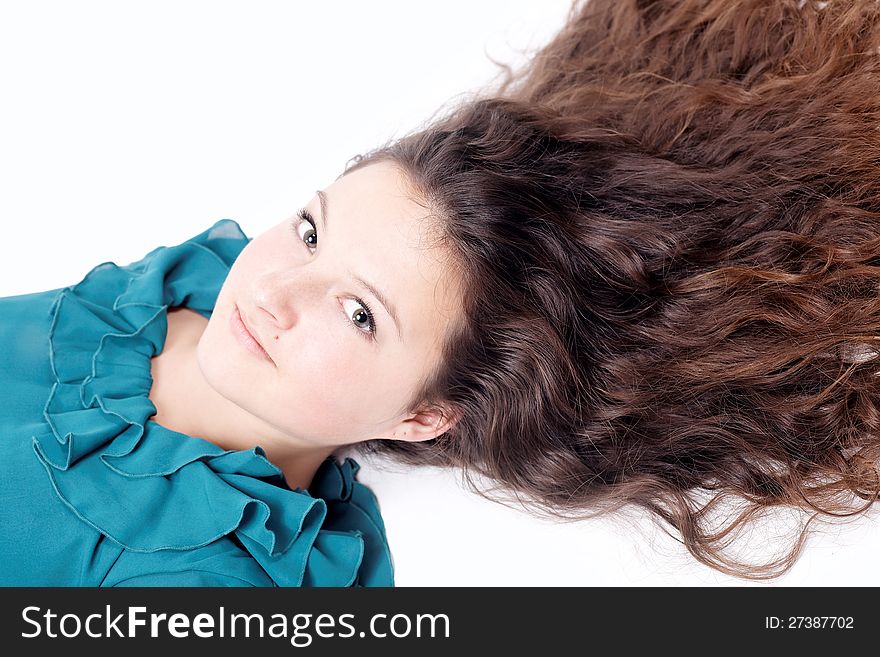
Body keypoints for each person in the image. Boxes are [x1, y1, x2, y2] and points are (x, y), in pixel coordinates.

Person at [3, 0, 880, 586]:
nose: (276, 292)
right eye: (313, 230)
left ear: (426, 413)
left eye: (359, 313)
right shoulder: (168, 296)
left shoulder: (224, 586)